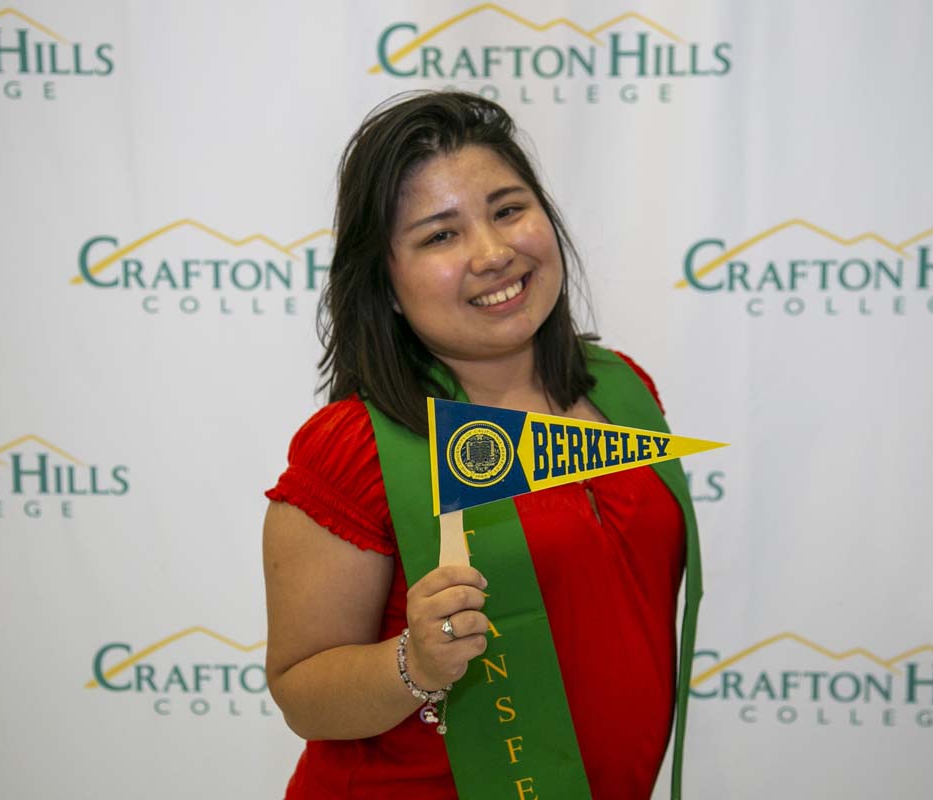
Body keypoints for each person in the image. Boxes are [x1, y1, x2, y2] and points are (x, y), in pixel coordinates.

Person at [263, 91, 699, 800]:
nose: (493, 254)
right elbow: (301, 693)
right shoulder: (356, 446)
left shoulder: (624, 391)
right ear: (388, 284)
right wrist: (416, 662)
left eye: (508, 210)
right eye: (440, 236)